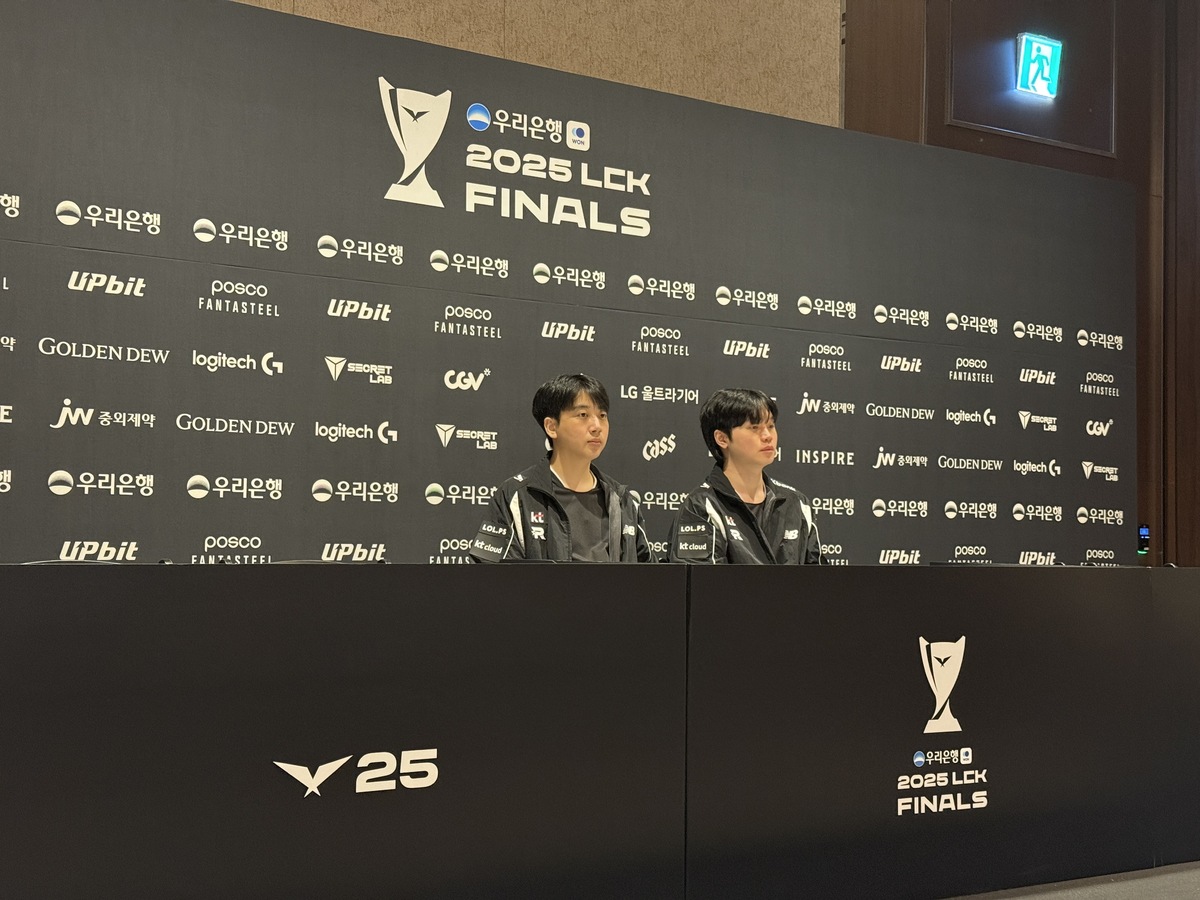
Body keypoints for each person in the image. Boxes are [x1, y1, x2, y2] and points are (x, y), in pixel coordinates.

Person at [469, 373, 654, 563]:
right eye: (583, 415)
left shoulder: (622, 500)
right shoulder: (516, 496)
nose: (597, 426)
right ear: (551, 427)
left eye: (602, 415)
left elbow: (651, 575)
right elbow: (489, 573)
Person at [668, 388, 823, 564]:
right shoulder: (700, 507)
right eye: (754, 428)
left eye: (771, 426)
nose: (767, 436)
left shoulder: (797, 503)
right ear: (722, 438)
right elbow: (701, 579)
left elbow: (818, 577)